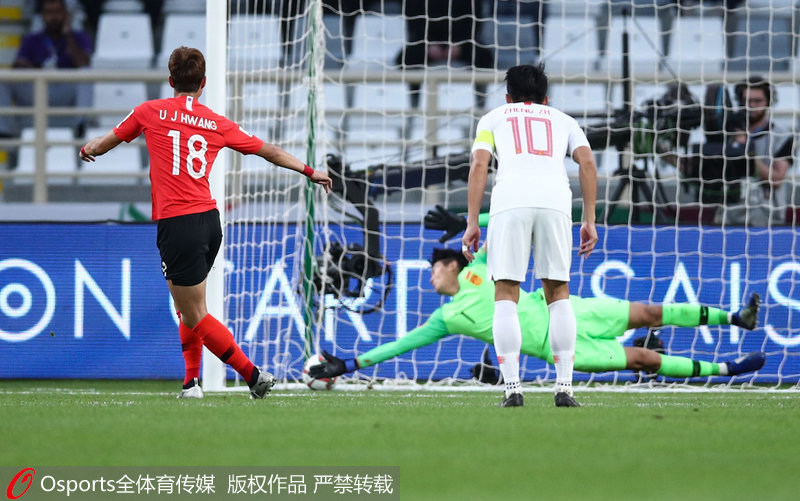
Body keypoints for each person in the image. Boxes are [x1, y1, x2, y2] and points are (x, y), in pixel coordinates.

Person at [79, 46, 333, 399]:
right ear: (203, 84)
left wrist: (87, 148)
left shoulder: (149, 111)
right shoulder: (216, 122)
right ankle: (191, 384)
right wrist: (310, 171)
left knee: (195, 313)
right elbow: (269, 151)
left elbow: (104, 143)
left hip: (178, 224)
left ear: (170, 81)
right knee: (189, 306)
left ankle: (252, 375)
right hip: (210, 223)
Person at [310, 247, 766, 386]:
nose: (429, 278)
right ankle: (726, 369)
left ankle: (735, 319)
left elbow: (499, 219)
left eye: (433, 269)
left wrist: (463, 220)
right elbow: (401, 344)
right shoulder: (448, 318)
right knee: (642, 361)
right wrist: (350, 365)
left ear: (452, 266)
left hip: (570, 309)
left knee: (648, 311)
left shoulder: (480, 267)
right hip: (559, 348)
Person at [462, 63, 598, 407]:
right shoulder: (565, 120)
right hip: (555, 202)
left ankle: (512, 389)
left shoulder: (493, 118)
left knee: (506, 292)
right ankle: (565, 387)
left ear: (508, 97)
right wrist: (590, 219)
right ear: (547, 98)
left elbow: (479, 165)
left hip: (511, 201)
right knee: (558, 292)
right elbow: (587, 163)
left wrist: (472, 222)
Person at [0, 0, 93, 137]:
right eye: (49, 13)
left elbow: (84, 63)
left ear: (66, 14)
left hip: (65, 90)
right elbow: (18, 65)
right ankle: (5, 131)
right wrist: (36, 68)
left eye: (57, 12)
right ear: (42, 16)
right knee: (3, 78)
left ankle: (82, 127)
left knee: (86, 74)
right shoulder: (32, 39)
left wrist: (67, 34)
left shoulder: (79, 37)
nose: (53, 17)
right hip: (37, 89)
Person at [714, 76, 796, 226]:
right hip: (730, 215)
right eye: (747, 101)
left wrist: (745, 150)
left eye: (758, 101)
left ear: (768, 102)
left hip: (768, 216)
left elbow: (777, 179)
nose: (751, 106)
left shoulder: (782, 135)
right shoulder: (727, 133)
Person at [395, 0, 493, 108]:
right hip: (426, 42)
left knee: (483, 57)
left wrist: (459, 44)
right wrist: (429, 44)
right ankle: (413, 105)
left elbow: (475, 19)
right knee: (406, 58)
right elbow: (413, 20)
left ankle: (480, 105)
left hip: (463, 42)